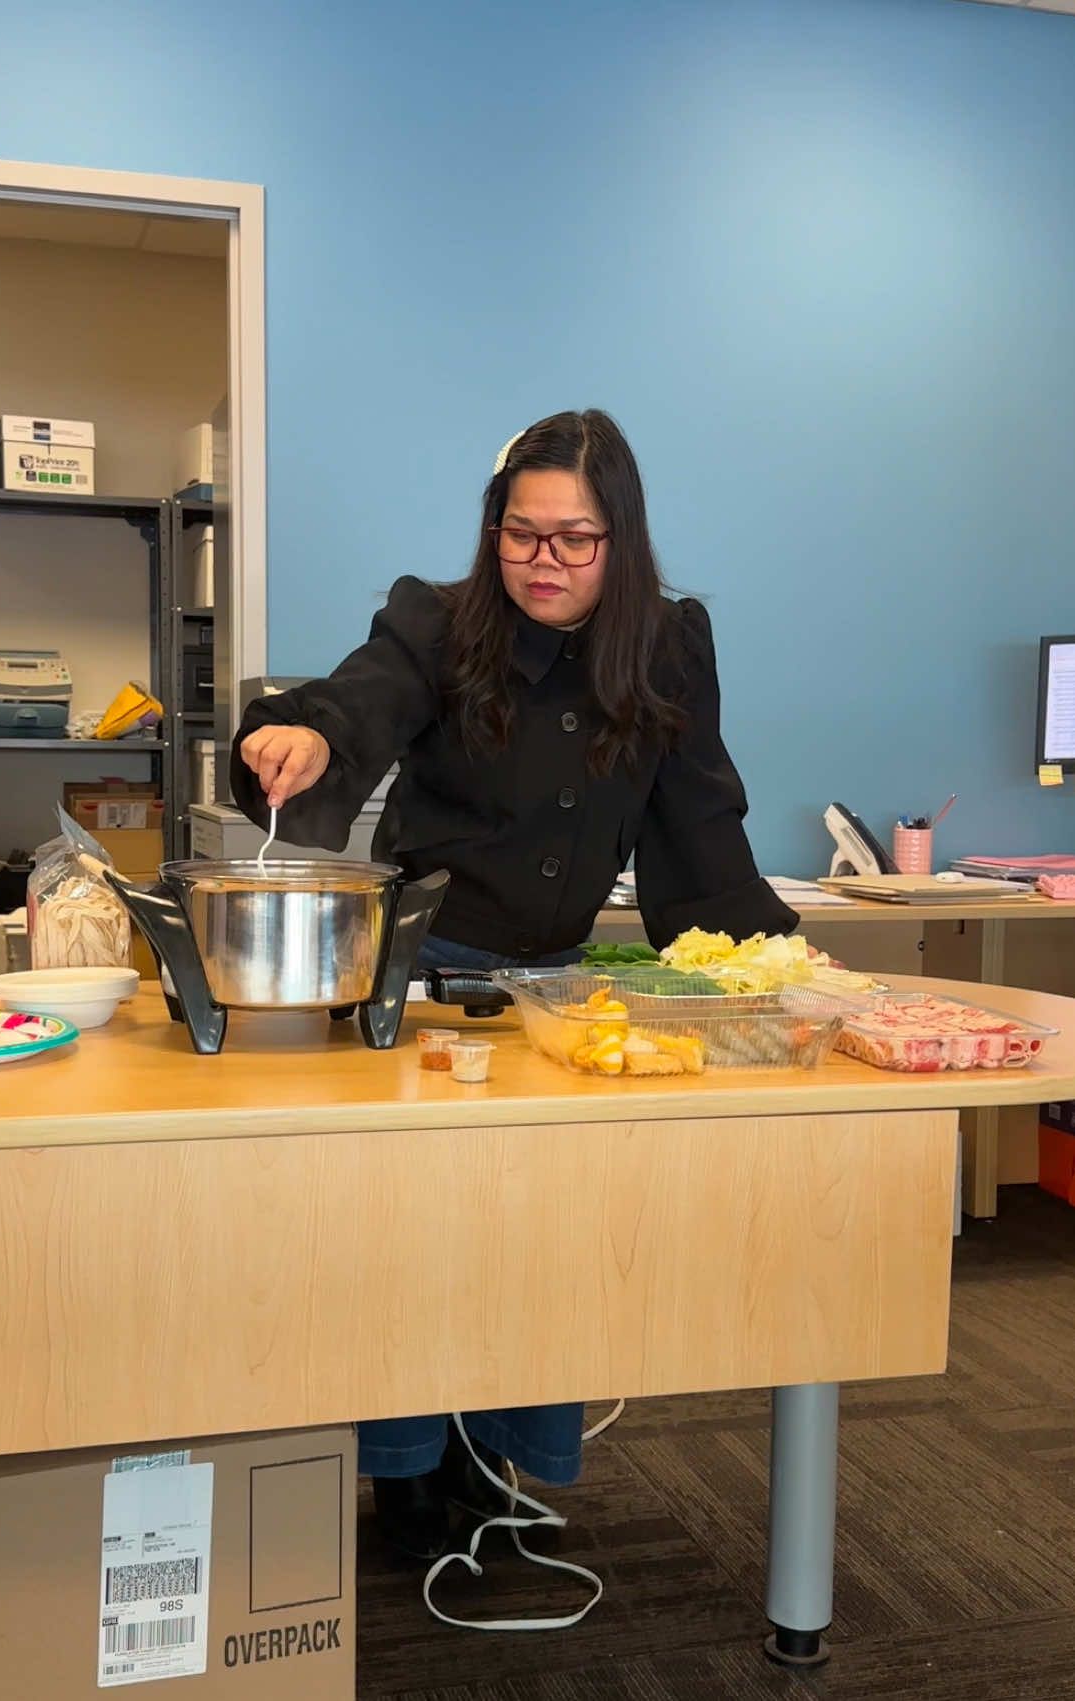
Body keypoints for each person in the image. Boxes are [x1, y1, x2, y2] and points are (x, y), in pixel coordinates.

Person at [232, 408, 796, 1562]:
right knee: (414, 1237)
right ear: (494, 529)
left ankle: (497, 1463)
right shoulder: (437, 621)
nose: (544, 561)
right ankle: (405, 1474)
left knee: (536, 1238)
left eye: (575, 539)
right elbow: (361, 696)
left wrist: (767, 969)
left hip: (557, 991)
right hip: (428, 978)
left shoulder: (671, 643)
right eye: (521, 533)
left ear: (621, 540)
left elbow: (700, 819)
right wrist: (305, 737)